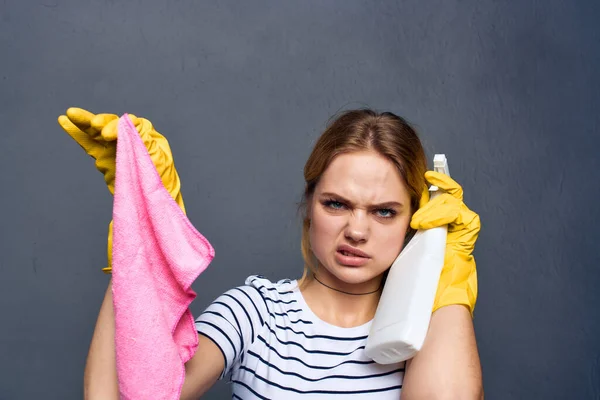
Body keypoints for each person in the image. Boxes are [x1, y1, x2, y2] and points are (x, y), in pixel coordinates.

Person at [59, 108, 483, 399]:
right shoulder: (256, 313)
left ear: (416, 219)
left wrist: (446, 258)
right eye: (336, 204)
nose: (356, 230)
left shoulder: (425, 326)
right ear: (309, 206)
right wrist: (142, 238)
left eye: (385, 212)